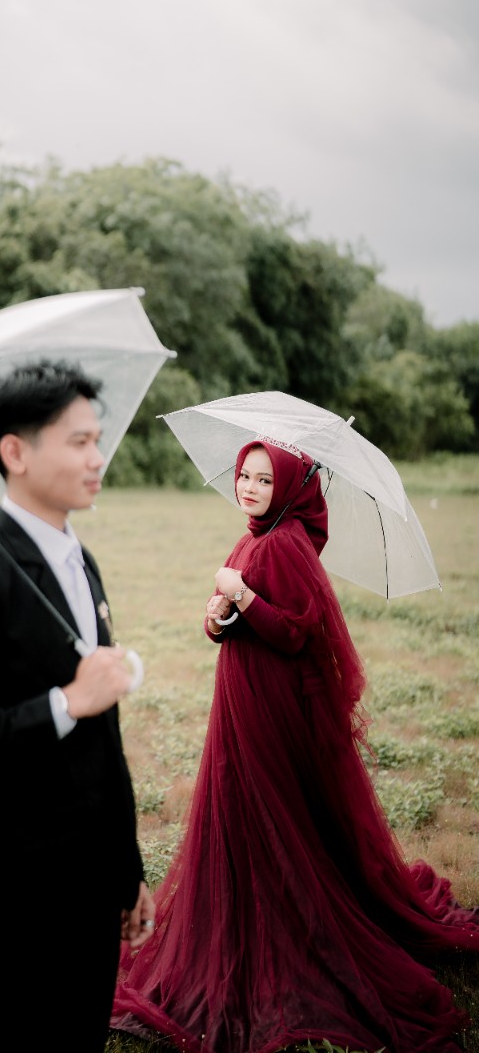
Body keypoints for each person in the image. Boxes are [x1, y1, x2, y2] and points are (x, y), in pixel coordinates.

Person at [112, 438, 479, 1053]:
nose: (249, 488)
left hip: (269, 703)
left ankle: (279, 927)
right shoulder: (253, 537)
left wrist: (242, 594)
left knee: (263, 811)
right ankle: (241, 919)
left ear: (286, 486)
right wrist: (217, 615)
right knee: (238, 807)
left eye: (263, 479)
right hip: (239, 695)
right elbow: (231, 625)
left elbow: (294, 632)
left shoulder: (284, 542)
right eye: (244, 476)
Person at [0, 360, 155, 1053]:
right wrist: (65, 703)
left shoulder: (81, 562)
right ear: (15, 452)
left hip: (90, 886)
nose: (98, 458)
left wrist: (126, 869)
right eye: (79, 442)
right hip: (16, 900)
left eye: (97, 440)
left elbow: (103, 743)